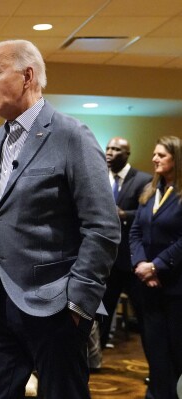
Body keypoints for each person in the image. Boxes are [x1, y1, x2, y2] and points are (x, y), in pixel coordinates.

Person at [0, 39, 120, 399]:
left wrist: (77, 302)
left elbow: (102, 226)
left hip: (56, 307)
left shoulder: (72, 135)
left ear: (27, 76)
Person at [130, 136, 182, 399]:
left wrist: (157, 266)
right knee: (154, 349)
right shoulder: (151, 191)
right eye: (154, 154)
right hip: (148, 285)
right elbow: (136, 231)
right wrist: (141, 264)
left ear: (176, 158)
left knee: (175, 351)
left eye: (161, 155)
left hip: (175, 285)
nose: (154, 159)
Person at [100, 137, 152, 348]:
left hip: (131, 261)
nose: (110, 152)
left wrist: (123, 215)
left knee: (144, 316)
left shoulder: (143, 180)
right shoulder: (99, 177)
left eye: (116, 149)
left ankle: (156, 371)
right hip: (106, 261)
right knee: (101, 314)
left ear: (127, 154)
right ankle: (93, 363)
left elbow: (147, 214)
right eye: (108, 148)